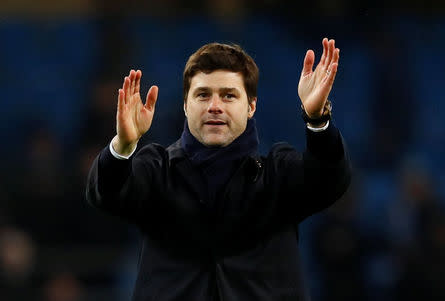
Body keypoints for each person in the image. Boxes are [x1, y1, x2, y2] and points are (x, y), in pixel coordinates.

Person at [86, 38, 352, 301]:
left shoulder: (277, 173)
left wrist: (317, 121)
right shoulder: (157, 169)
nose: (215, 106)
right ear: (185, 105)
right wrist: (124, 145)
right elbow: (107, 194)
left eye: (228, 95)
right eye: (203, 95)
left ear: (251, 106)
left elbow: (329, 181)